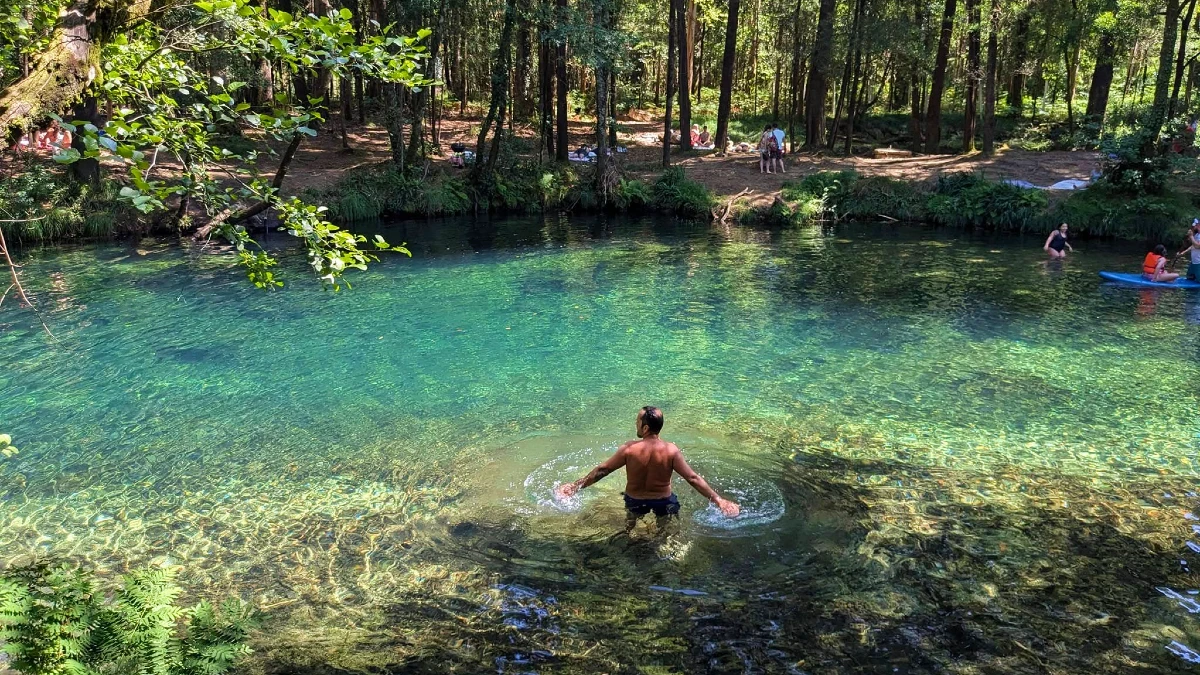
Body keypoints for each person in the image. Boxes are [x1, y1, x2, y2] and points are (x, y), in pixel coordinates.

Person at [555, 406, 740, 529]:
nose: (635, 423)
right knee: (665, 534)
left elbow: (603, 471)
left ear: (645, 428)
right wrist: (719, 500)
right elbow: (692, 478)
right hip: (664, 502)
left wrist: (575, 486)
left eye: (637, 421)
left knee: (630, 529)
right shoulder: (671, 450)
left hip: (634, 501)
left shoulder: (630, 449)